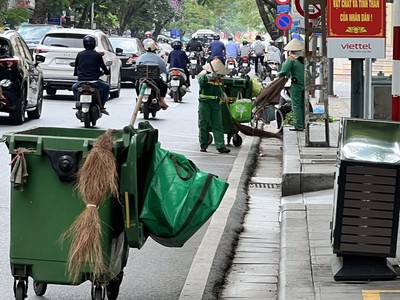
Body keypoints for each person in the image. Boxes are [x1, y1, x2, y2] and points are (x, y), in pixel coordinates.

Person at [197, 58, 230, 154]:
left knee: (218, 125)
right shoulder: (204, 76)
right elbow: (201, 82)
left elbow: (221, 89)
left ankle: (220, 146)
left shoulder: (219, 79)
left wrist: (223, 94)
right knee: (204, 124)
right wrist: (209, 77)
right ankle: (203, 145)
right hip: (205, 103)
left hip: (216, 104)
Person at [72, 35, 110, 115]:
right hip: (95, 82)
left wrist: (76, 73)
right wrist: (106, 72)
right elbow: (103, 66)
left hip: (81, 81)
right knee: (106, 87)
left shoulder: (80, 54)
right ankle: (102, 106)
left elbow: (76, 66)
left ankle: (78, 102)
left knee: (74, 88)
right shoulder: (97, 55)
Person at [277, 38, 306, 131]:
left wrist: (278, 75)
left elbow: (284, 71)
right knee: (303, 104)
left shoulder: (291, 58)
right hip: (306, 84)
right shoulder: (304, 59)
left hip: (296, 84)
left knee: (296, 105)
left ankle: (298, 125)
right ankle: (304, 124)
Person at [136, 40, 169, 110]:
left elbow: (136, 67)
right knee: (164, 86)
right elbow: (164, 69)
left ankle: (139, 98)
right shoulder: (158, 58)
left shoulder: (141, 57)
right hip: (155, 79)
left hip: (142, 78)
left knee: (137, 84)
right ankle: (162, 101)